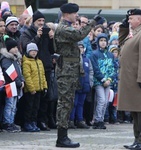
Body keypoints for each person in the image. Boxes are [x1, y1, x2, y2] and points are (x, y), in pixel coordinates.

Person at [54, 2, 102, 148]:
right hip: (66, 72)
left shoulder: (66, 27)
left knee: (68, 103)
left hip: (70, 71)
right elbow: (79, 34)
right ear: (67, 14)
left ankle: (63, 136)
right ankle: (61, 138)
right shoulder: (63, 28)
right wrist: (93, 22)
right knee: (65, 104)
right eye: (75, 13)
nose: (77, 16)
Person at [118, 9, 141, 150]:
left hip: (139, 79)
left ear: (139, 19)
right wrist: (124, 27)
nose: (129, 21)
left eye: (131, 19)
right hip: (130, 78)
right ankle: (137, 140)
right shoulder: (135, 32)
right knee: (134, 111)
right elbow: (121, 44)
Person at [20, 10, 54, 131]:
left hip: (45, 66)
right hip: (32, 68)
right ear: (34, 21)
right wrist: (37, 37)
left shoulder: (46, 32)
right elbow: (27, 47)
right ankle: (29, 121)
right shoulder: (27, 33)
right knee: (31, 99)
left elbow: (52, 50)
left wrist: (51, 38)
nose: (41, 23)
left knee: (44, 96)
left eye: (43, 21)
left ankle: (42, 120)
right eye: (39, 21)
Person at [90, 33, 115, 129]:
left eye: (105, 41)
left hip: (108, 82)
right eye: (101, 41)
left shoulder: (110, 55)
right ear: (98, 42)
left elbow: (113, 68)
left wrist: (109, 79)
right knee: (101, 100)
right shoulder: (94, 54)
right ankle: (97, 119)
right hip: (99, 81)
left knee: (106, 102)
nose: (103, 43)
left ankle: (101, 119)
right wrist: (103, 79)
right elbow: (95, 69)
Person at [0, 36, 24, 132]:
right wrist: (19, 82)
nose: (16, 49)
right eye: (14, 47)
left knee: (14, 105)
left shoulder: (15, 59)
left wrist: (22, 80)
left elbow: (19, 72)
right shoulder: (6, 59)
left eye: (16, 47)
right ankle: (7, 123)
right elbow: (10, 72)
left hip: (16, 85)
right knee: (9, 104)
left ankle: (11, 121)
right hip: (10, 85)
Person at [22, 42, 47, 132]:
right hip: (31, 90)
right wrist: (31, 88)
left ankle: (33, 122)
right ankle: (27, 123)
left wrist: (44, 86)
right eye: (32, 51)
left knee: (36, 107)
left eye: (35, 51)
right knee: (29, 107)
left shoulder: (39, 62)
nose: (34, 52)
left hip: (39, 88)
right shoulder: (26, 62)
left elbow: (43, 75)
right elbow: (27, 76)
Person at [69, 41, 93, 129]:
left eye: (82, 47)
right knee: (74, 103)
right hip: (76, 84)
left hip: (85, 84)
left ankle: (80, 120)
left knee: (81, 103)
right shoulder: (73, 59)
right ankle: (71, 120)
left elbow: (90, 71)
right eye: (78, 47)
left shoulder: (87, 60)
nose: (80, 49)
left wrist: (90, 83)